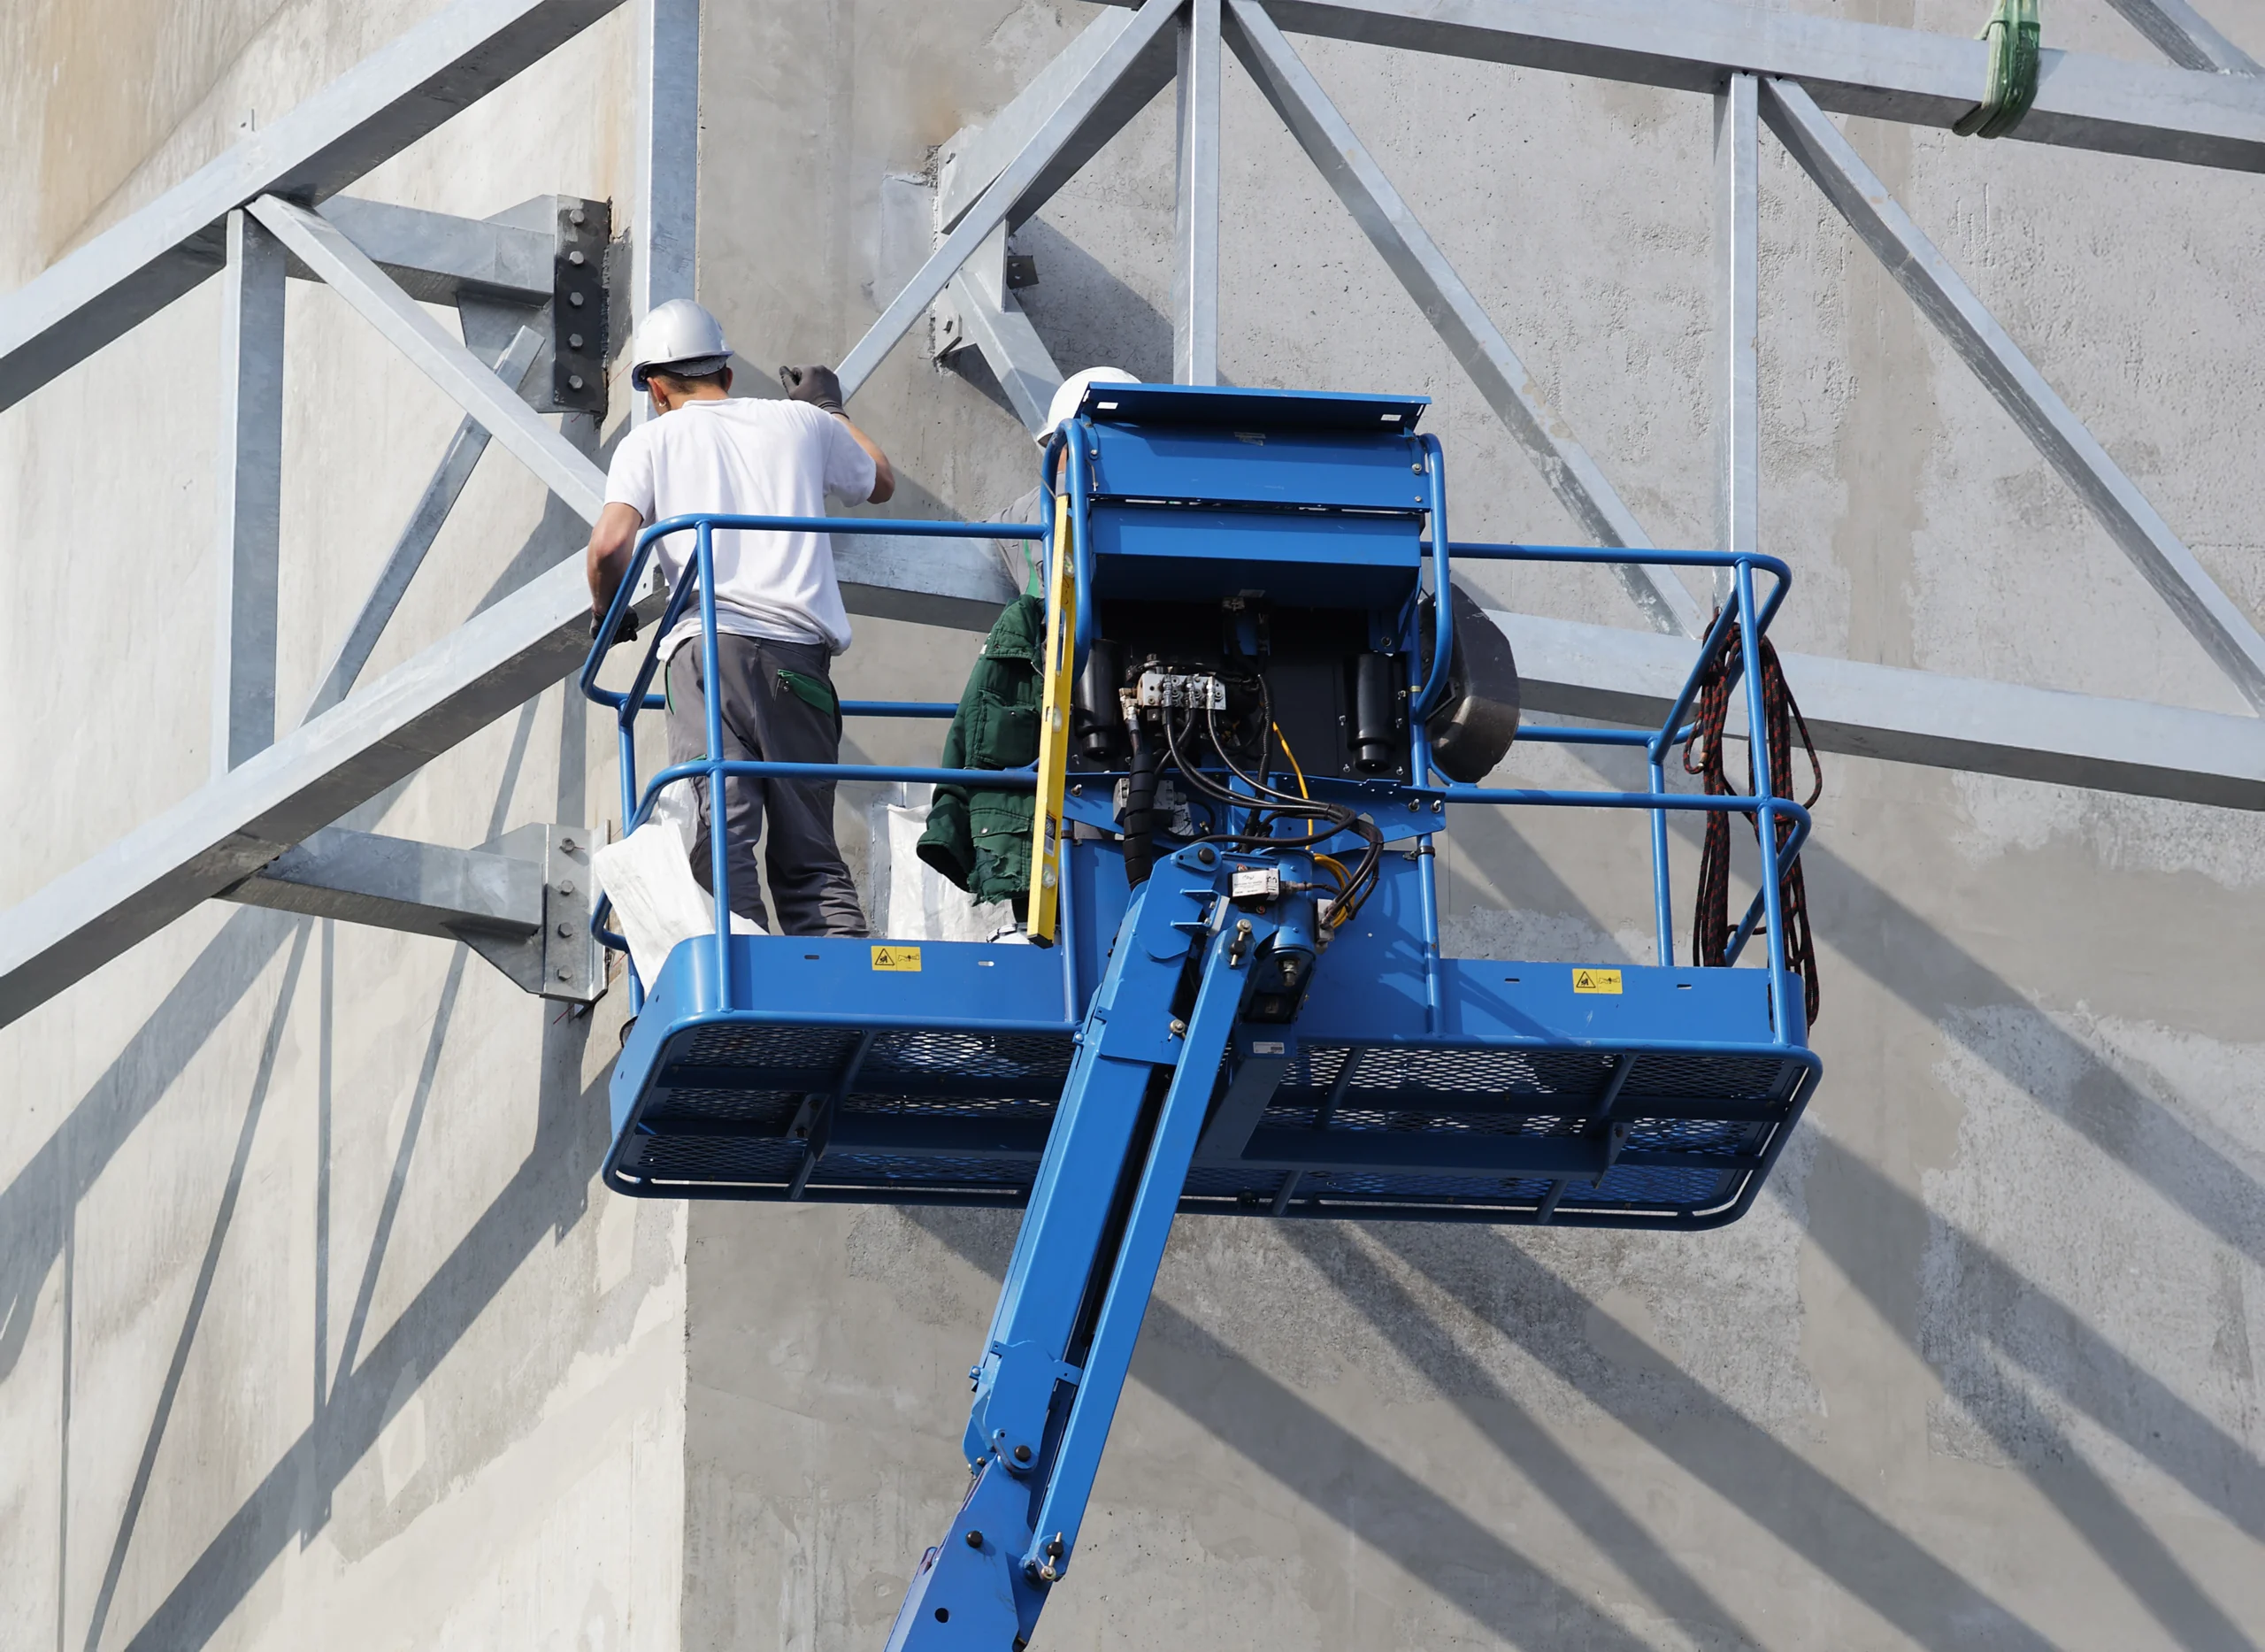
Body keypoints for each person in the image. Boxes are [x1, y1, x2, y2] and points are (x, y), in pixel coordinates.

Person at [585, 298, 896, 938]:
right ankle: (843, 992)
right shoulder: (801, 424)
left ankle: (741, 991)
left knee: (716, 837)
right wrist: (830, 411)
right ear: (725, 374)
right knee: (811, 852)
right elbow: (881, 479)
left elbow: (610, 547)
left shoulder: (650, 441)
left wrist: (607, 612)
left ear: (654, 388)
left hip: (708, 656)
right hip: (801, 665)